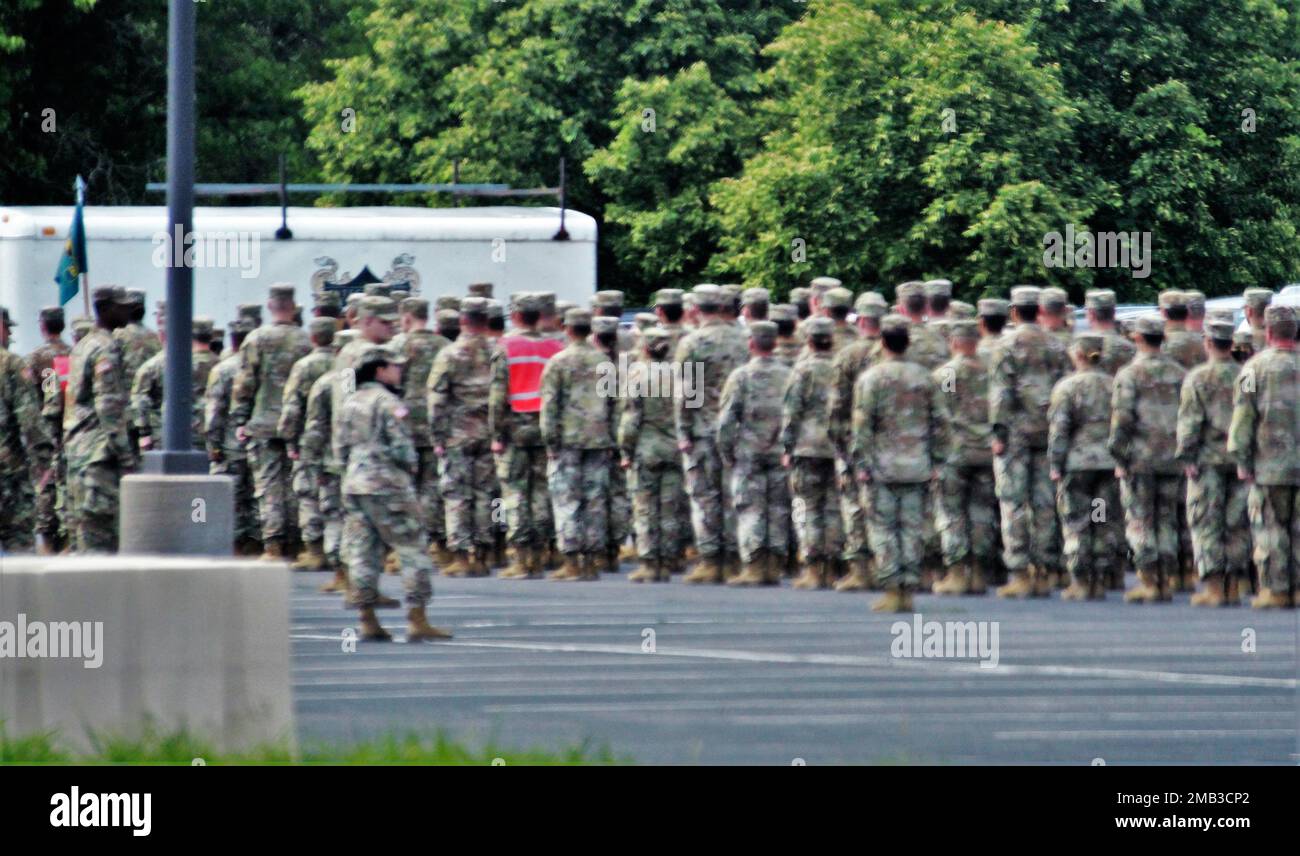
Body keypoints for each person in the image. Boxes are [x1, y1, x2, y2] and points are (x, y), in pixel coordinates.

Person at [338, 344, 452, 642]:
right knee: (412, 548)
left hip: (355, 483)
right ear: (380, 370)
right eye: (395, 366)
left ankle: (367, 618)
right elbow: (403, 448)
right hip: (388, 485)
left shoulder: (349, 403)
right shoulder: (389, 403)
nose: (400, 371)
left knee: (363, 551)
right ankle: (417, 618)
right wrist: (410, 469)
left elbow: (339, 447)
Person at [852, 314, 946, 613]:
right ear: (908, 344)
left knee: (883, 529)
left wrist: (861, 464)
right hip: (917, 464)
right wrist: (938, 460)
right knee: (912, 528)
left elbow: (862, 426)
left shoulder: (871, 379)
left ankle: (892, 588)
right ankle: (909, 588)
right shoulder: (925, 377)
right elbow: (941, 422)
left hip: (882, 465)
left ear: (882, 343)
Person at [989, 286, 1069, 597]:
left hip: (1016, 434)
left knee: (1013, 502)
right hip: (1047, 431)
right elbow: (1063, 391)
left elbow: (1001, 393)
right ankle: (1045, 567)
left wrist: (998, 434)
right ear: (1038, 310)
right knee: (1045, 503)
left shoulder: (1005, 345)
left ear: (1013, 312)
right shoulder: (1055, 344)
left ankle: (1020, 570)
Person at [1109, 315, 1187, 602]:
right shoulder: (1179, 374)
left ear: (1137, 338)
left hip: (1140, 459)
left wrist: (1119, 456)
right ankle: (1167, 578)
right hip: (1171, 458)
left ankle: (1149, 579)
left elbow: (1122, 420)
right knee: (1167, 519)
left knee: (1141, 520)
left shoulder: (1129, 375)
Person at [231, 283, 312, 559]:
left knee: (267, 485)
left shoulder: (256, 339)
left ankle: (273, 543)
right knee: (296, 483)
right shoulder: (306, 341)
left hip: (262, 423)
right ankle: (299, 541)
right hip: (297, 424)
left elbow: (244, 384)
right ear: (293, 306)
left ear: (270, 306)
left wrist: (241, 419)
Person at [1228, 305, 1300, 609]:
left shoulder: (1252, 370)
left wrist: (1242, 460)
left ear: (1268, 332)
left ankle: (1275, 589)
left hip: (1269, 465)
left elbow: (1244, 417)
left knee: (1271, 528)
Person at [675, 284, 748, 581]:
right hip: (738, 430)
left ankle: (710, 558)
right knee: (733, 495)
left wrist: (683, 431)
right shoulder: (744, 340)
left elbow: (687, 393)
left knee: (704, 496)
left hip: (703, 429)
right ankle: (733, 556)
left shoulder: (694, 342)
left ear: (695, 309)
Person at [540, 308, 619, 581]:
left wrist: (550, 441)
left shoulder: (558, 362)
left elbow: (549, 406)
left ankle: (572, 560)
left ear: (567, 328)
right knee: (595, 500)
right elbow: (614, 404)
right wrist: (612, 438)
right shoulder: (604, 361)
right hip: (598, 439)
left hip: (567, 440)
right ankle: (592, 560)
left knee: (567, 499)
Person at [1176, 319, 1250, 606]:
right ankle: (1234, 585)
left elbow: (1190, 422)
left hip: (1207, 459)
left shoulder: (1197, 378)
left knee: (1206, 521)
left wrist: (1187, 455)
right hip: (1239, 459)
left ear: (1208, 343)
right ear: (1231, 344)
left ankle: (1214, 586)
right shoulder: (1246, 375)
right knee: (1236, 524)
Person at [491, 292, 562, 578]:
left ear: (516, 316)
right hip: (544, 427)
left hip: (514, 428)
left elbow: (497, 397)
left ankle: (522, 558)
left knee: (515, 493)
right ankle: (543, 552)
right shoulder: (555, 347)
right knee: (542, 491)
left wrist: (496, 434)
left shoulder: (505, 347)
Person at [717, 321, 792, 585]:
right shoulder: (788, 374)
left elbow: (726, 421)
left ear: (751, 344)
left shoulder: (741, 377)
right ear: (774, 343)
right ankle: (775, 564)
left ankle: (754, 565)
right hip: (779, 450)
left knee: (751, 508)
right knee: (778, 509)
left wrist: (727, 453)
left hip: (749, 451)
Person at [427, 296, 496, 576]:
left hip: (457, 434)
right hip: (488, 433)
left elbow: (436, 399)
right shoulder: (496, 352)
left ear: (463, 321)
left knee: (457, 495)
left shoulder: (449, 354)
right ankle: (482, 553)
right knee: (484, 495)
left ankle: (461, 555)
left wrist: (437, 437)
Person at [1047, 334, 1117, 600]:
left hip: (1078, 465)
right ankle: (1100, 577)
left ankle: (1080, 579)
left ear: (1077, 355)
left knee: (1077, 521)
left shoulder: (1067, 387)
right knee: (1100, 518)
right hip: (1106, 464)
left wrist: (1055, 463)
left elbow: (1060, 430)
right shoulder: (1113, 385)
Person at [63, 286, 133, 552]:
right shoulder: (106, 348)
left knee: (83, 537)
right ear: (104, 309)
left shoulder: (82, 345)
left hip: (79, 451)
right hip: (99, 457)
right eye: (121, 305)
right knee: (101, 542)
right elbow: (108, 406)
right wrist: (126, 456)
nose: (127, 309)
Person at [930, 320, 998, 595]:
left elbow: (940, 413)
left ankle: (957, 573)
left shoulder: (948, 373)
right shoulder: (991, 370)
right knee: (982, 513)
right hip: (985, 450)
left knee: (952, 513)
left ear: (955, 342)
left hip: (955, 452)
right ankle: (979, 573)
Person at [780, 317, 842, 589]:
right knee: (832, 508)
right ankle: (834, 563)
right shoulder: (841, 368)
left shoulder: (803, 371)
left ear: (808, 340)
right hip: (836, 447)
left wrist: (786, 445)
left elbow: (792, 412)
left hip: (807, 447)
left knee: (808, 507)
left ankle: (814, 567)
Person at [620, 328, 686, 582]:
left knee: (645, 508)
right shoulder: (680, 375)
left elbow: (631, 419)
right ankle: (668, 560)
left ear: (644, 347)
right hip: (673, 448)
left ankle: (649, 562)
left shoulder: (636, 374)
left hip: (646, 448)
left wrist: (626, 450)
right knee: (670, 508)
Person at [279, 317, 338, 571]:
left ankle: (314, 551)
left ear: (313, 338)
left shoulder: (303, 367)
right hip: (337, 440)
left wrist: (289, 439)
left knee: (307, 494)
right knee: (335, 498)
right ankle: (336, 550)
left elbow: (292, 407)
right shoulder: (342, 366)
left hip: (310, 438)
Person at [0, 306, 55, 552]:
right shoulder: (16, 363)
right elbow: (32, 417)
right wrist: (44, 461)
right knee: (19, 545)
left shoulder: (26, 359)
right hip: (10, 472)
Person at [206, 319, 259, 553]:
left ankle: (236, 546)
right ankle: (258, 543)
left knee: (233, 499)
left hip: (230, 445)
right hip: (258, 441)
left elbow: (215, 411)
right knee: (257, 495)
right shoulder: (258, 366)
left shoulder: (223, 370)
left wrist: (213, 446)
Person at [25, 306, 71, 553]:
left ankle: (46, 542)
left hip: (44, 433)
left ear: (43, 326)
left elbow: (28, 400)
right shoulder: (74, 353)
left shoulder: (35, 358)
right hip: (72, 431)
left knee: (44, 487)